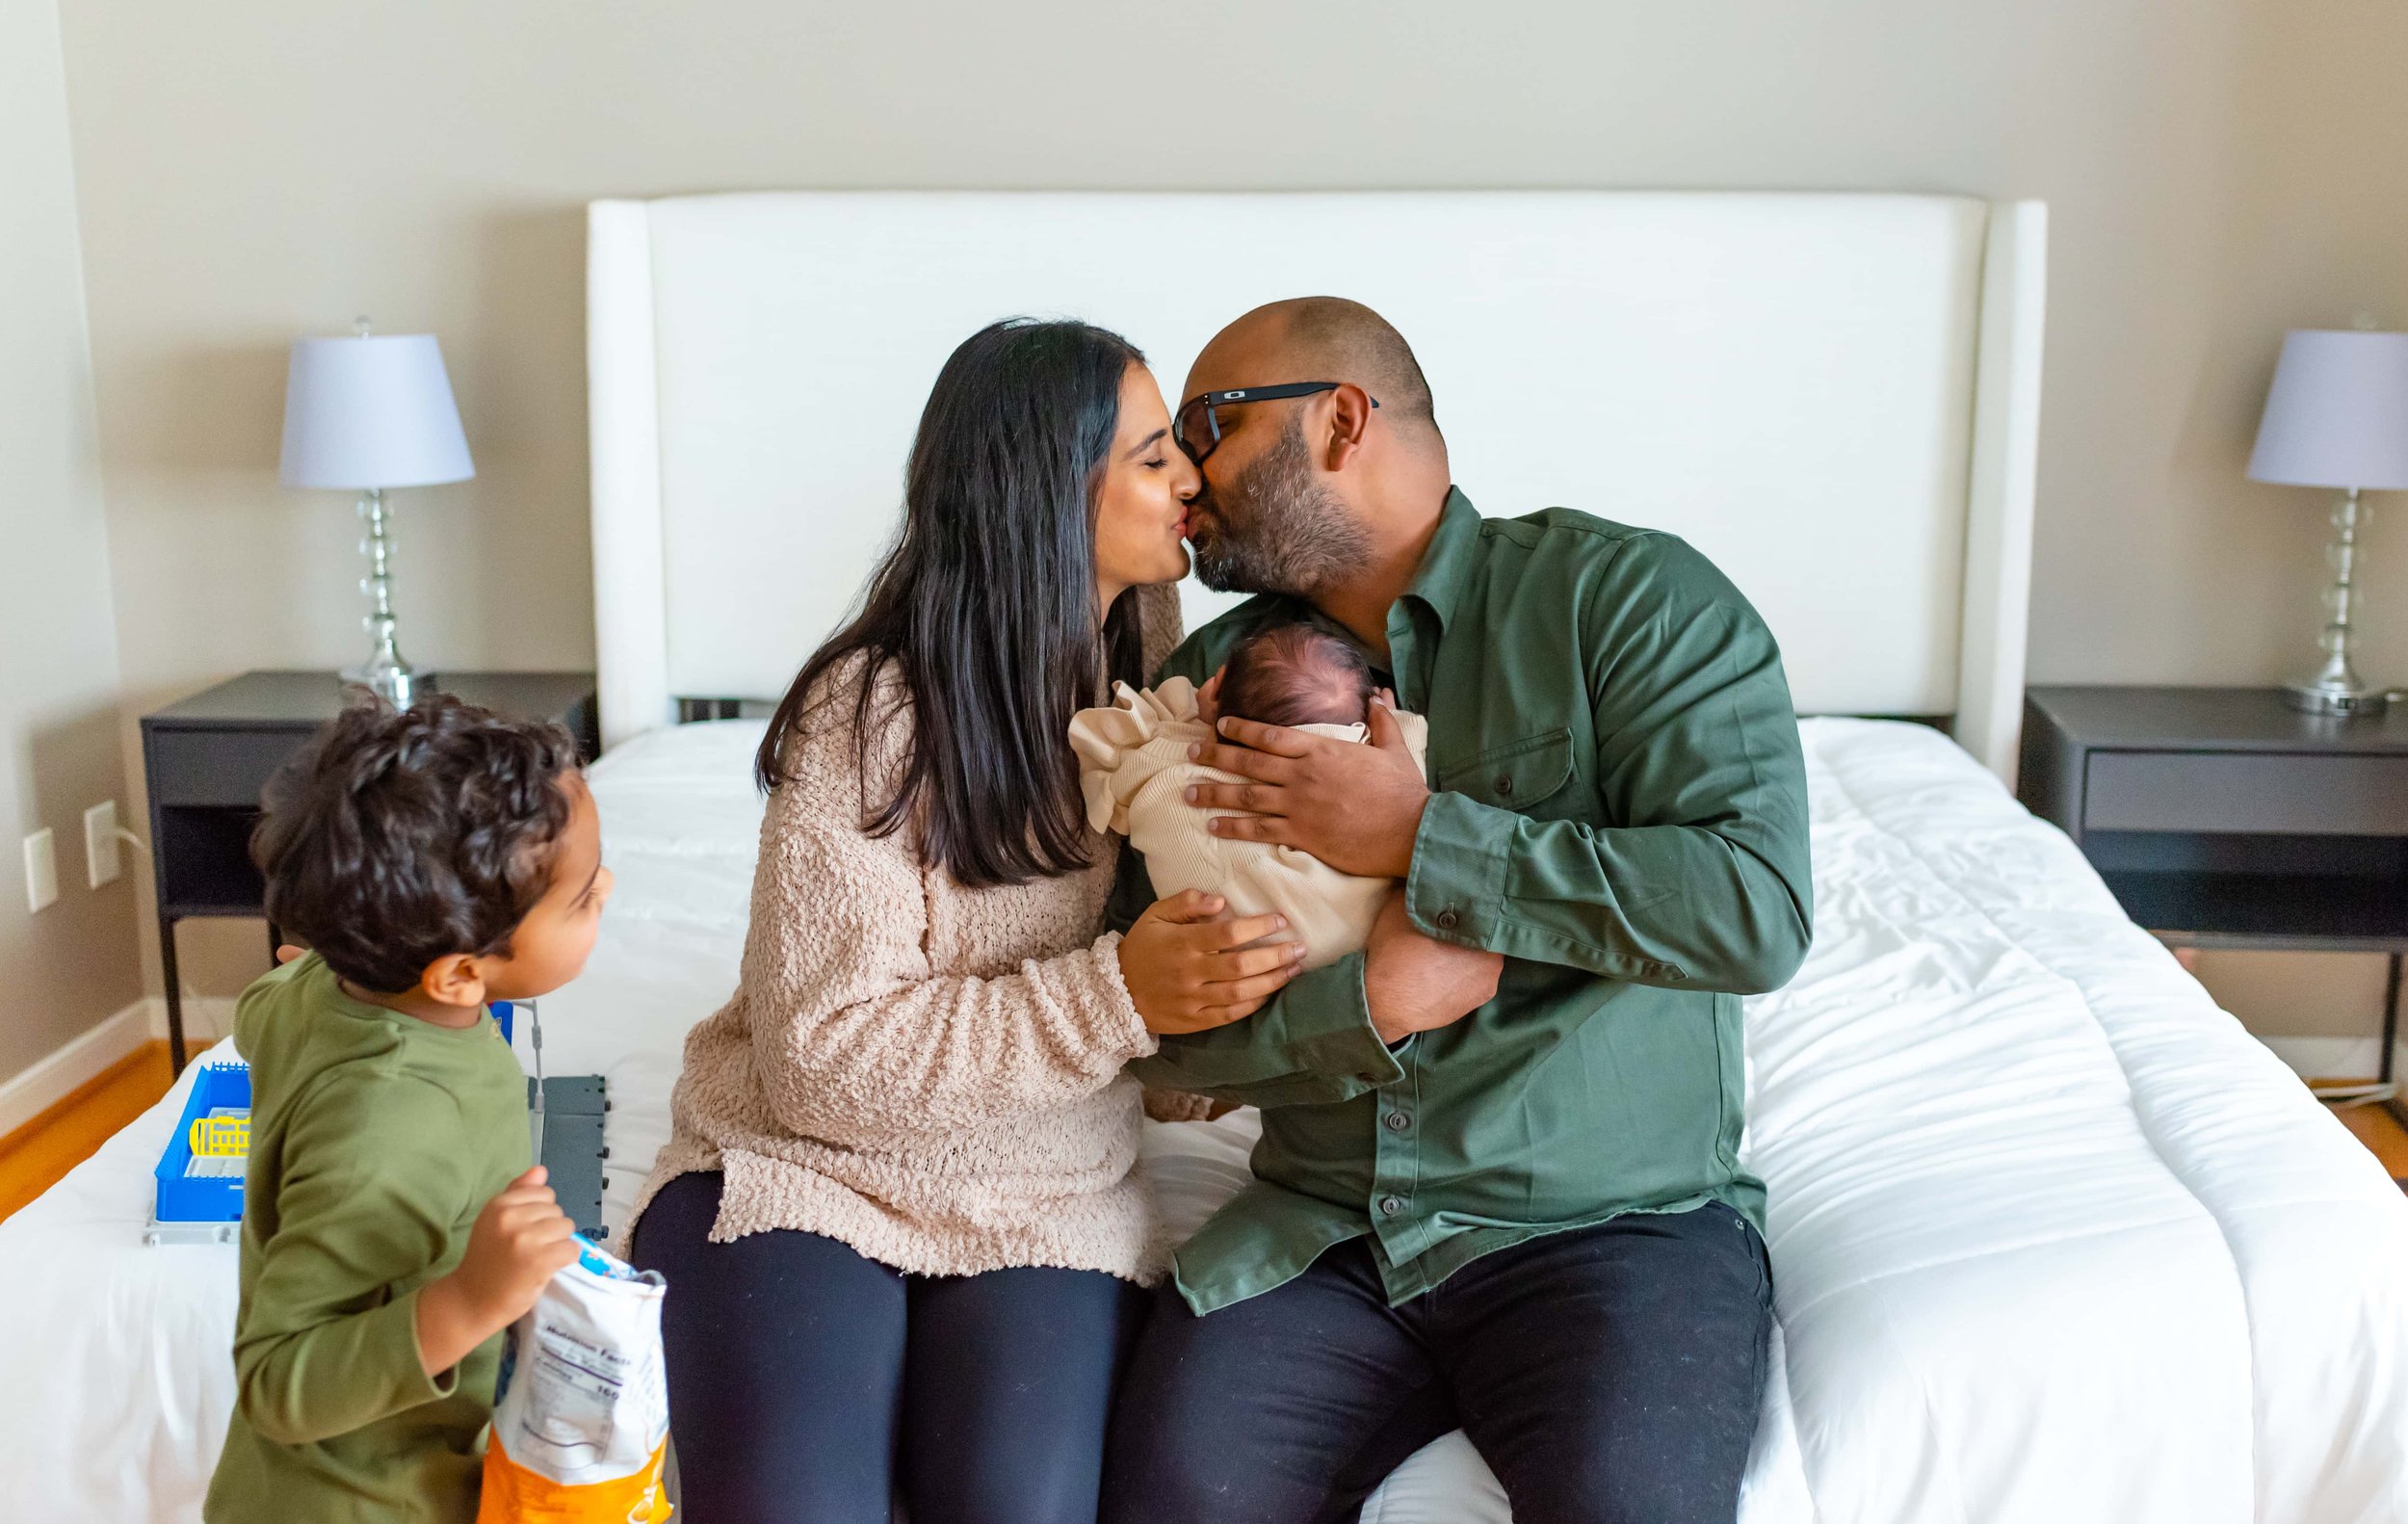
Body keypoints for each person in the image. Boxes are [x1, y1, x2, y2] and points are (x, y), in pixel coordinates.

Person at [1098, 297, 1816, 1524]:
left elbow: (1753, 907)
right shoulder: (1199, 690)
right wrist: (1359, 1004)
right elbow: (1154, 1024)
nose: (1186, 477)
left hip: (1614, 1228)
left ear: (1339, 418)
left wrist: (1425, 838)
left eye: (1210, 425)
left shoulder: (1627, 601)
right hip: (1319, 1235)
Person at [624, 318, 1304, 1524]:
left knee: (1017, 1506)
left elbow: (1166, 955)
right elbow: (822, 1065)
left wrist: (1202, 1034)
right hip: (809, 1173)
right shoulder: (870, 715)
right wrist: (1120, 998)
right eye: (1154, 457)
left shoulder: (1153, 672)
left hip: (1048, 1197)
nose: (1190, 480)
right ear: (1050, 490)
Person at [204, 696, 610, 1524]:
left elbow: (260, 1007)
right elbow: (276, 1380)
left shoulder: (316, 987)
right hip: (360, 1501)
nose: (607, 886)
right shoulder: (384, 1135)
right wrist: (467, 1301)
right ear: (459, 974)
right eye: (579, 898)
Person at [1069, 622, 1429, 971]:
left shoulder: (1179, 785)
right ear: (1367, 723)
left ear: (1217, 684)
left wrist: (1201, 724)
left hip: (1259, 960)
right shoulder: (1383, 773)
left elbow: (1131, 767)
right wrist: (1393, 720)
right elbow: (1407, 757)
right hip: (1370, 942)